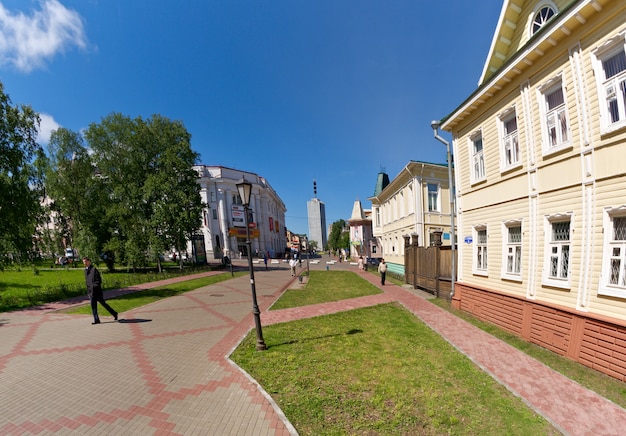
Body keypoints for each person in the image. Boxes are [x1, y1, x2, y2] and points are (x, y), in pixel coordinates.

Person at [83, 257, 118, 325]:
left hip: (97, 292)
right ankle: (96, 320)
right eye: (84, 262)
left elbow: (98, 281)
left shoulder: (94, 269)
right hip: (91, 292)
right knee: (93, 306)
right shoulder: (85, 270)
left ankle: (114, 313)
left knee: (104, 304)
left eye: (86, 261)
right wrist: (88, 291)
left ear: (89, 261)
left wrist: (94, 286)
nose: (85, 263)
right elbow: (87, 282)